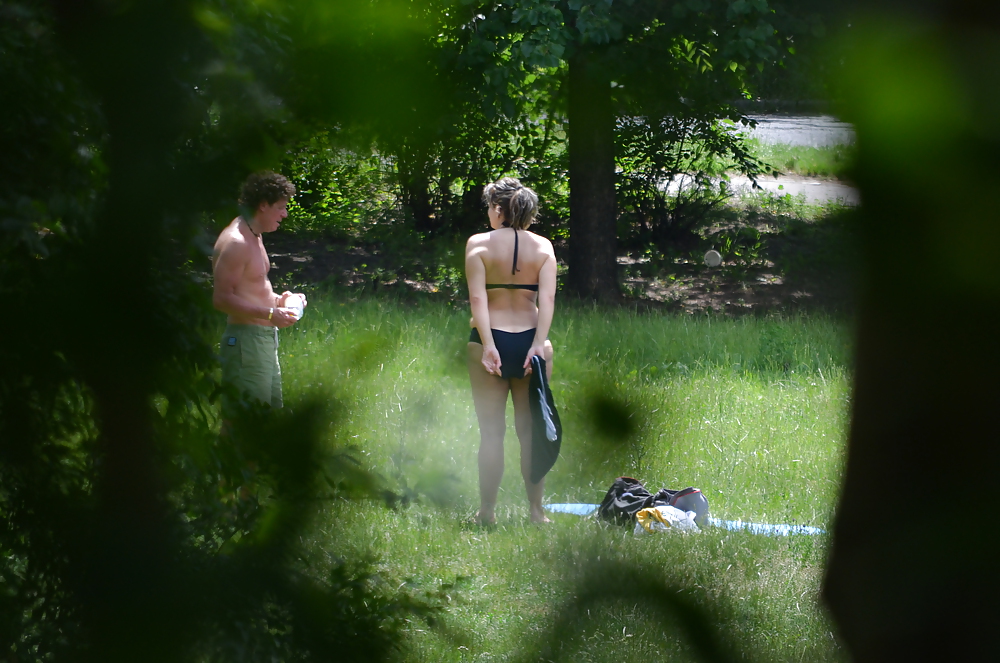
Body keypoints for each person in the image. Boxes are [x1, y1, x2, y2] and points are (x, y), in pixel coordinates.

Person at [465, 177, 557, 525]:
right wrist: (538, 344)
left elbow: (478, 299)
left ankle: (486, 512)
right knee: (531, 430)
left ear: (498, 209)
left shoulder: (478, 244)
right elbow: (546, 300)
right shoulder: (544, 247)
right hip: (532, 340)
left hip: (490, 340)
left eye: (490, 207)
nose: (489, 213)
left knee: (491, 432)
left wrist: (489, 345)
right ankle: (537, 513)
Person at [212, 171, 306, 419]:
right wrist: (269, 313)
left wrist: (281, 301)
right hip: (245, 344)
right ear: (263, 205)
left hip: (262, 340)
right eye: (281, 207)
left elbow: (250, 288)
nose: (284, 214)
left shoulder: (254, 235)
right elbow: (221, 298)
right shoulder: (237, 242)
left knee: (262, 422)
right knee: (244, 425)